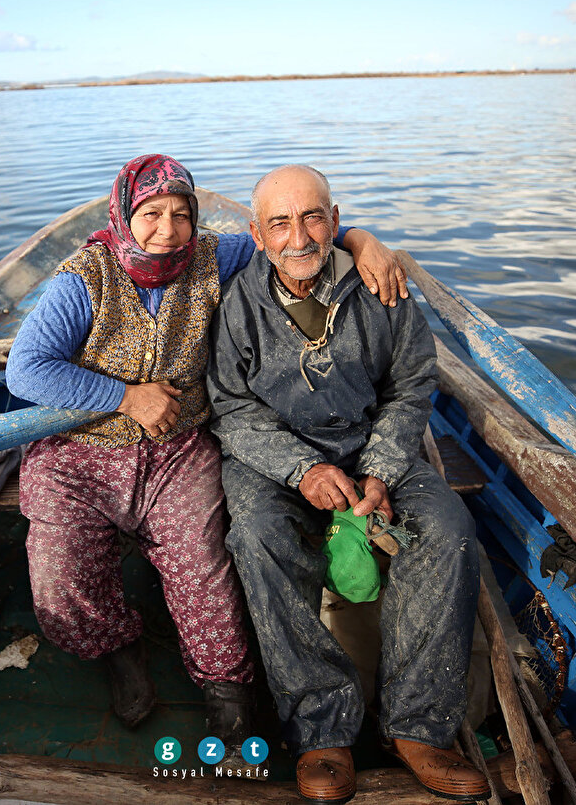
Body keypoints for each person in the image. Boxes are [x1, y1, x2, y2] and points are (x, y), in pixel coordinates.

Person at [5, 154, 406, 766]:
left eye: (180, 214)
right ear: (123, 215)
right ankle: (120, 650)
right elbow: (27, 370)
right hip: (79, 453)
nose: (167, 230)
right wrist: (123, 397)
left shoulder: (216, 257)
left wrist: (360, 238)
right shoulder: (81, 280)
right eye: (151, 214)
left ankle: (225, 685)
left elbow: (291, 243)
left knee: (203, 564)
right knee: (60, 575)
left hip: (177, 448)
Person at [206, 164, 490, 803]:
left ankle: (418, 727)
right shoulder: (236, 305)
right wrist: (301, 469)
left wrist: (382, 469)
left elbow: (413, 384)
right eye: (280, 222)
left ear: (336, 222)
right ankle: (320, 729)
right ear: (258, 234)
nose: (298, 236)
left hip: (371, 446)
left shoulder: (381, 287)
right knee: (255, 536)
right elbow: (232, 409)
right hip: (273, 462)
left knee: (447, 531)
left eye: (313, 217)